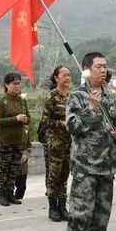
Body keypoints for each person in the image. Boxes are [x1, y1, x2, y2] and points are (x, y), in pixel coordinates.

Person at [66, 52, 116, 231]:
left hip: (107, 165)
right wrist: (91, 108)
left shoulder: (110, 96)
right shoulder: (77, 96)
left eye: (105, 66)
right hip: (86, 166)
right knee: (82, 211)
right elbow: (73, 127)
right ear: (86, 69)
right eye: (98, 66)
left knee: (103, 212)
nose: (103, 70)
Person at [39, 65, 73, 222]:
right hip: (54, 143)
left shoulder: (72, 97)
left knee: (64, 174)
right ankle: (52, 207)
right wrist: (63, 124)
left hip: (68, 142)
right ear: (56, 78)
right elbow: (45, 120)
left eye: (69, 75)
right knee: (54, 174)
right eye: (64, 75)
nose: (67, 78)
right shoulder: (51, 96)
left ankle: (62, 206)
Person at [0, 73, 31, 207]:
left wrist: (25, 119)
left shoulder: (22, 100)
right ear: (7, 85)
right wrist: (15, 119)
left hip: (18, 142)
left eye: (19, 83)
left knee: (14, 169)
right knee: (3, 170)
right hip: (5, 142)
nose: (17, 86)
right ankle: (1, 195)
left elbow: (29, 119)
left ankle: (10, 194)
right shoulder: (1, 100)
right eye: (14, 83)